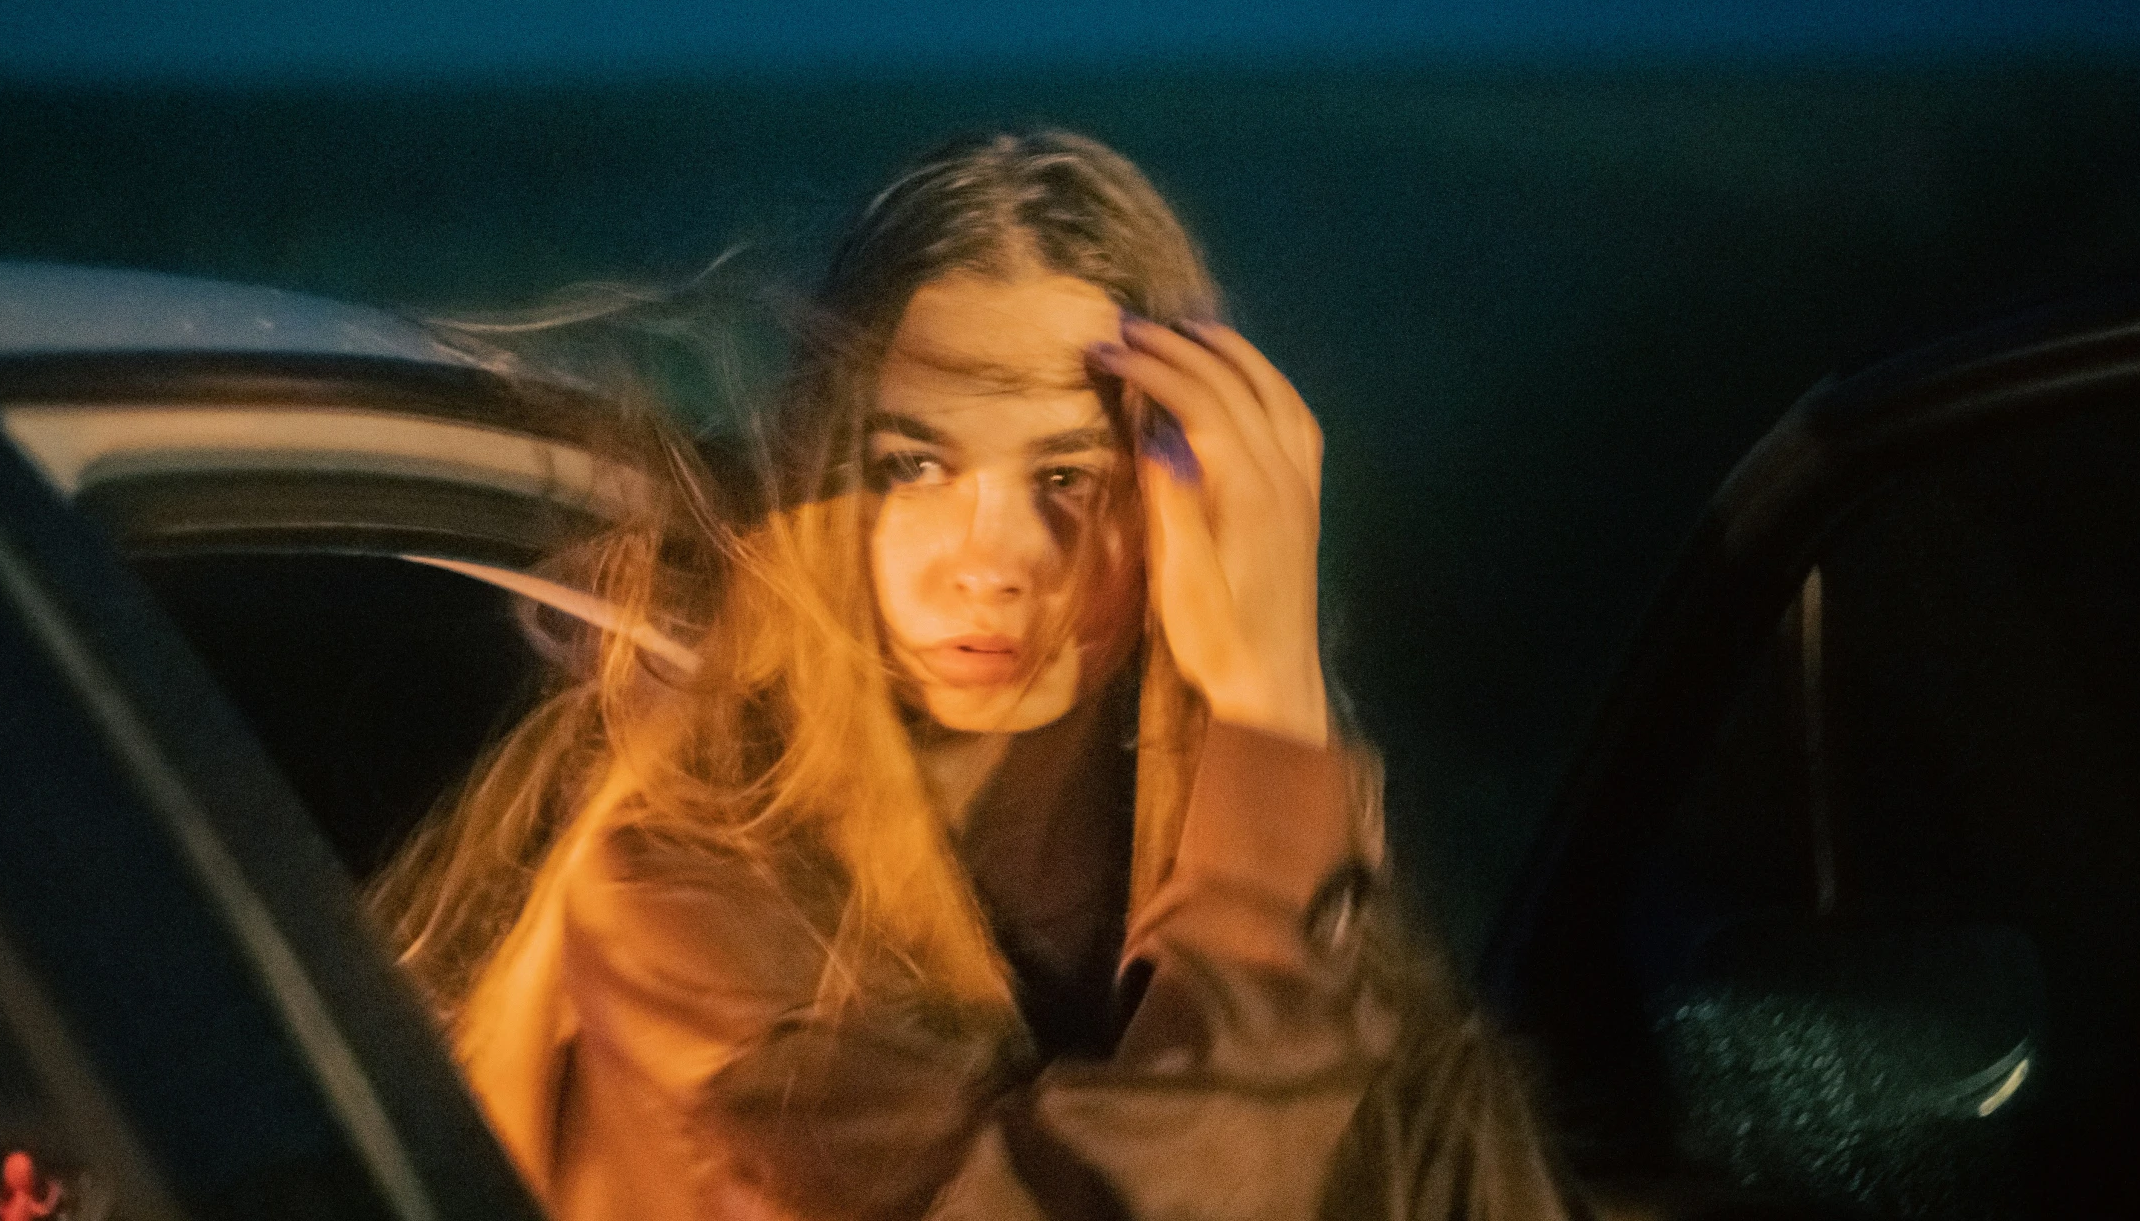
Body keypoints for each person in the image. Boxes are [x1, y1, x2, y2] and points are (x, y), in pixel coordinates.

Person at [370, 131, 1568, 1220]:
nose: (988, 563)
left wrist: (1275, 724)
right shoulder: (692, 894)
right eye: (913, 466)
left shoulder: (1289, 875)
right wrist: (1270, 732)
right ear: (830, 478)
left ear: (1181, 513)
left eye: (1066, 479)